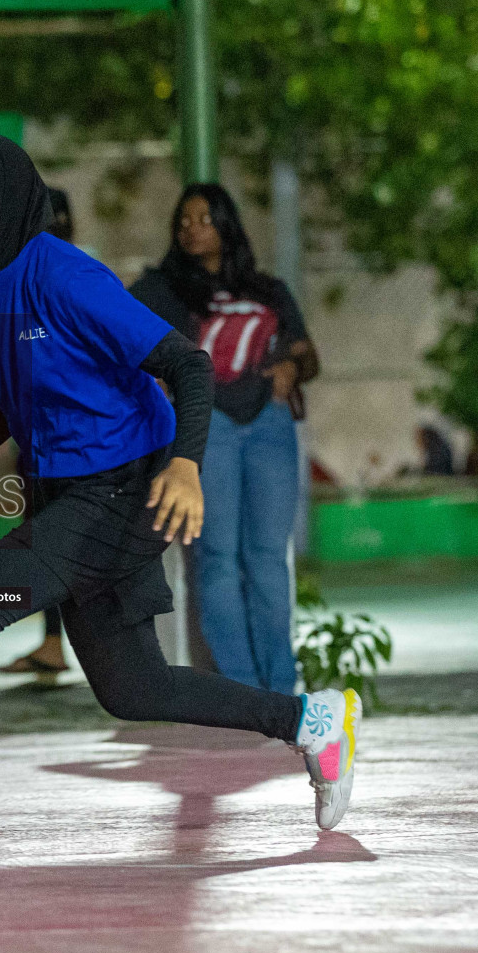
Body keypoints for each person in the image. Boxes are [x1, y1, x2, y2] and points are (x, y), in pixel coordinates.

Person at [0, 135, 359, 867]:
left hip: (129, 484)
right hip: (67, 489)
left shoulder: (68, 279)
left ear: (8, 200)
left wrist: (184, 466)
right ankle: (310, 720)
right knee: (132, 687)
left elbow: (189, 364)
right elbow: (0, 405)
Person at [129, 184, 319, 694]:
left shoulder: (268, 290)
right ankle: (240, 690)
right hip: (205, 425)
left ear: (227, 226)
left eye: (204, 219)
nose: (192, 228)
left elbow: (308, 355)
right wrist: (156, 381)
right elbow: (119, 345)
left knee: (267, 557)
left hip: (269, 427)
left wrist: (290, 366)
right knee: (215, 558)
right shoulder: (159, 289)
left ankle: (282, 689)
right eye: (183, 220)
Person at [0, 186, 74, 680]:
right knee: (47, 543)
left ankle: (56, 643)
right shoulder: (21, 281)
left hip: (73, 444)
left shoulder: (65, 279)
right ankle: (52, 642)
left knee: (54, 545)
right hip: (41, 437)